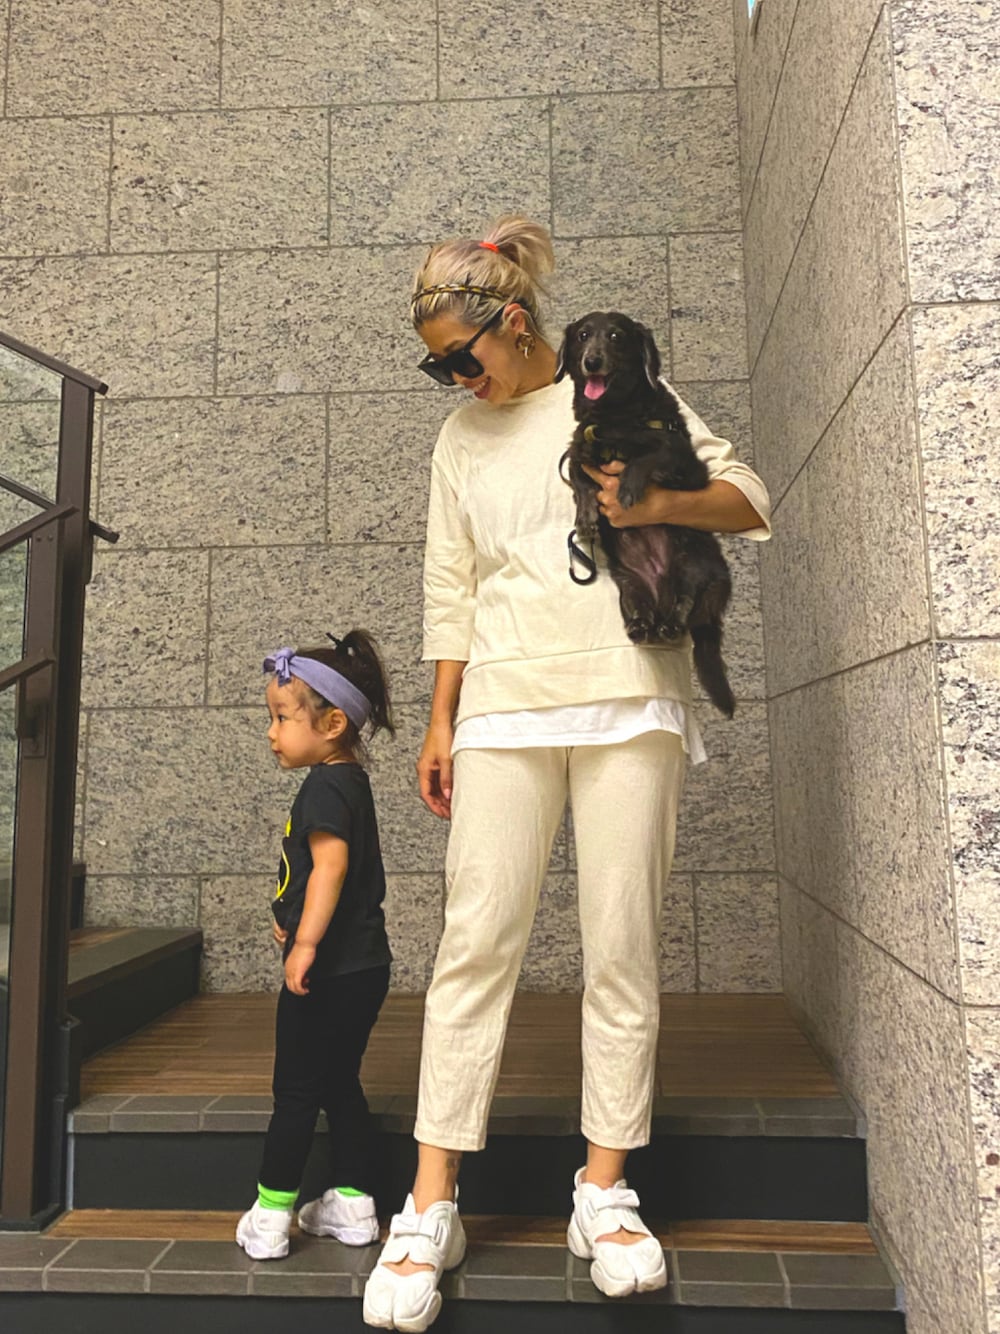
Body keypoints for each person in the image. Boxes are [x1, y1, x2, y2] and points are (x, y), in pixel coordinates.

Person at [362, 216, 771, 1332]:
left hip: (629, 694)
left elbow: (748, 497)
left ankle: (605, 1190)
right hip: (502, 704)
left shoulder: (620, 393)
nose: (457, 381)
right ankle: (430, 1203)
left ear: (514, 321)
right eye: (439, 368)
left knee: (621, 946)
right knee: (474, 944)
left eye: (461, 358)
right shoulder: (461, 438)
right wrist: (439, 722)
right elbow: (450, 585)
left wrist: (655, 504)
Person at [236, 630, 395, 1261]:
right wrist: (295, 917)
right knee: (338, 1082)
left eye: (282, 718)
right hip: (364, 967)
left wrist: (304, 942)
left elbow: (330, 868)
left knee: (297, 1089)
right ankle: (353, 1203)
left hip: (327, 972)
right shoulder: (349, 782)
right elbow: (329, 881)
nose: (271, 733)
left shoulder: (324, 789)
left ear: (332, 724)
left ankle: (271, 1213)